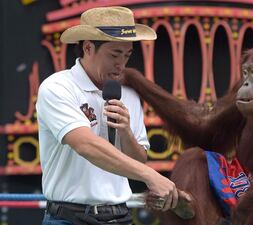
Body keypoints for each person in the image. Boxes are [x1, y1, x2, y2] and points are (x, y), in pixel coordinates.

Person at [36, 6, 178, 225]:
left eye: (127, 55)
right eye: (114, 54)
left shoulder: (128, 95)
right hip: (67, 218)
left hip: (121, 216)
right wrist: (150, 175)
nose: (121, 64)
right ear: (88, 47)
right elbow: (85, 145)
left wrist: (126, 131)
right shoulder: (57, 87)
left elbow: (138, 159)